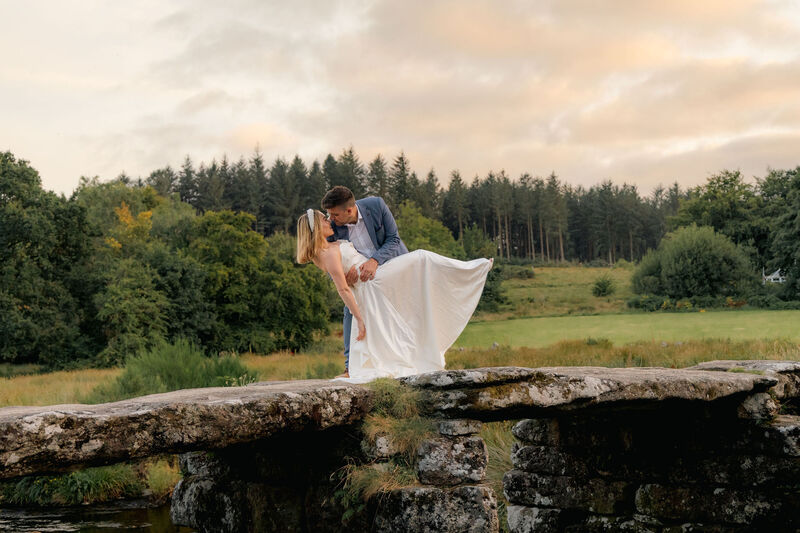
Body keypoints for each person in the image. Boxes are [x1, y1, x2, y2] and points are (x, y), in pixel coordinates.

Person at [296, 208, 492, 383]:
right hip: (373, 282)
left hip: (374, 273)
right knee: (421, 257)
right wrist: (360, 319)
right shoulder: (327, 254)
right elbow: (343, 289)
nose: (329, 221)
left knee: (420, 268)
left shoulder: (331, 245)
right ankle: (472, 269)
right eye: (324, 220)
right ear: (315, 230)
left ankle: (471, 270)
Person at [321, 186, 409, 377]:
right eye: (329, 215)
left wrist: (374, 261)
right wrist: (345, 277)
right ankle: (349, 367)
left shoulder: (376, 205)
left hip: (392, 266)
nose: (331, 219)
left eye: (335, 214)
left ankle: (405, 356)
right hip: (362, 281)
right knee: (350, 309)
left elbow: (393, 239)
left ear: (349, 210)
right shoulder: (333, 228)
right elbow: (331, 262)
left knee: (401, 314)